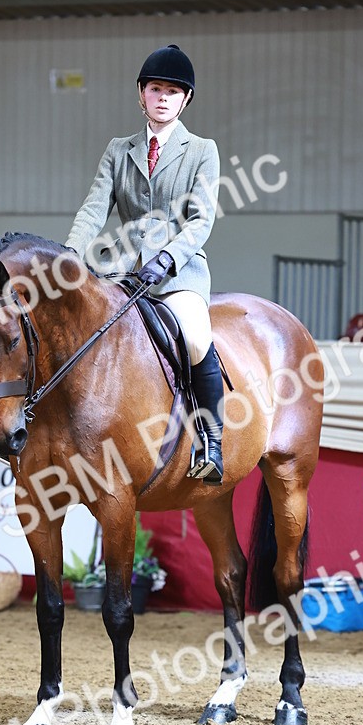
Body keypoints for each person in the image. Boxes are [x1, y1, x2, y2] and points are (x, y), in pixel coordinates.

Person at [65, 44, 224, 483]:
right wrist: (69, 254)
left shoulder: (202, 151)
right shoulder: (119, 150)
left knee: (194, 336)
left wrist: (169, 259)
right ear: (141, 94)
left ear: (185, 99)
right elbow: (94, 209)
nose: (164, 97)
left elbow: (201, 219)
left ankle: (211, 442)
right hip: (124, 273)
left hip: (180, 273)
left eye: (173, 92)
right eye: (156, 89)